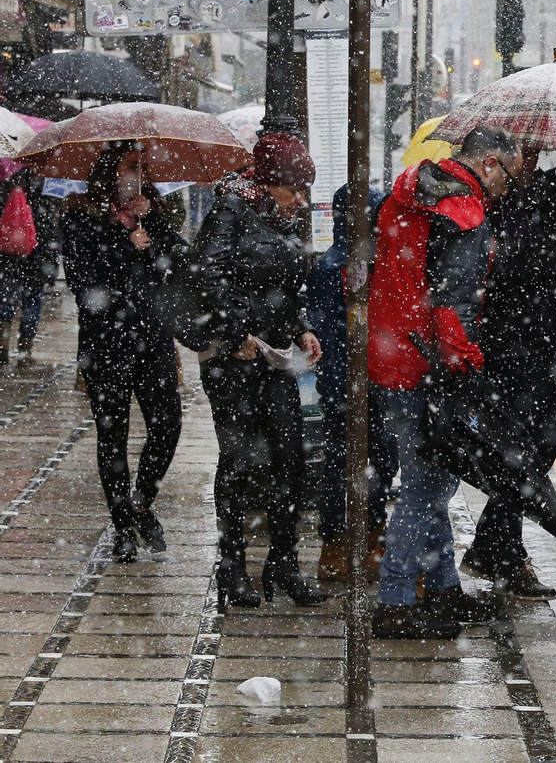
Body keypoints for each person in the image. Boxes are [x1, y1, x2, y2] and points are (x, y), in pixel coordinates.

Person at [368, 125, 520, 639]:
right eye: (508, 176)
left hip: (392, 352)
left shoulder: (407, 194)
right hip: (428, 365)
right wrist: (466, 365)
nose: (506, 189)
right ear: (490, 163)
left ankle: (443, 587)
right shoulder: (463, 211)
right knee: (427, 486)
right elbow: (454, 304)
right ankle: (395, 602)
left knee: (431, 477)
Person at [463, 144, 556, 598]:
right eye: (526, 152)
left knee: (538, 452)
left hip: (543, 344)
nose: (535, 159)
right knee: (521, 456)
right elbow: (501, 266)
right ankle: (504, 558)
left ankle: (491, 549)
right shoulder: (490, 199)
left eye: (538, 150)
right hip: (509, 348)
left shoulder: (539, 187)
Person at [191, 133, 325, 607]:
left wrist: (302, 326)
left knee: (289, 457)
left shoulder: (281, 218)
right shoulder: (230, 210)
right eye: (295, 188)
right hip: (235, 361)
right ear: (270, 181)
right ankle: (232, 567)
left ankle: (283, 563)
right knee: (239, 461)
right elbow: (207, 277)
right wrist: (235, 335)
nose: (300, 200)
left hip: (275, 357)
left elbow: (287, 287)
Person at [60, 143, 187, 563]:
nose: (139, 172)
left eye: (143, 165)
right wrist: (124, 246)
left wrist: (152, 225)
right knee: (112, 437)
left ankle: (140, 502)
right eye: (132, 164)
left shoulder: (156, 211)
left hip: (153, 338)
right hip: (106, 343)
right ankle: (122, 527)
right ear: (111, 170)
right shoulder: (80, 214)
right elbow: (82, 282)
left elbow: (179, 262)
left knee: (167, 426)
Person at [309, 184, 398, 581]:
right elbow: (330, 334)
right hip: (347, 384)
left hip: (378, 381)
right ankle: (336, 543)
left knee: (381, 460)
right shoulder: (334, 268)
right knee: (341, 463)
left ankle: (370, 535)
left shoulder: (378, 262)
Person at [0, 160, 54, 367]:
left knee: (6, 299)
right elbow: (49, 228)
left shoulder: (7, 180)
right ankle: (25, 351)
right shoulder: (45, 185)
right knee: (32, 302)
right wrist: (50, 264)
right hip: (36, 256)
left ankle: (2, 345)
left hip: (8, 255)